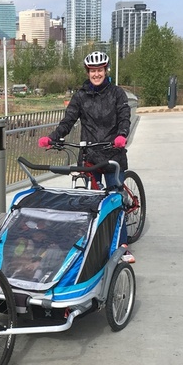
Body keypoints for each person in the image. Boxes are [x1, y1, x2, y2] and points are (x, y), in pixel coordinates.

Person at [38, 50, 135, 263]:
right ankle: (92, 242)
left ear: (105, 70)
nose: (96, 74)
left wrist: (121, 135)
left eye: (100, 70)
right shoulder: (80, 96)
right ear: (88, 72)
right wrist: (53, 137)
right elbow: (68, 120)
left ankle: (122, 246)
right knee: (89, 202)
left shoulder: (117, 93)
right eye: (93, 71)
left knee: (114, 199)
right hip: (89, 154)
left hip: (112, 153)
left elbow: (125, 117)